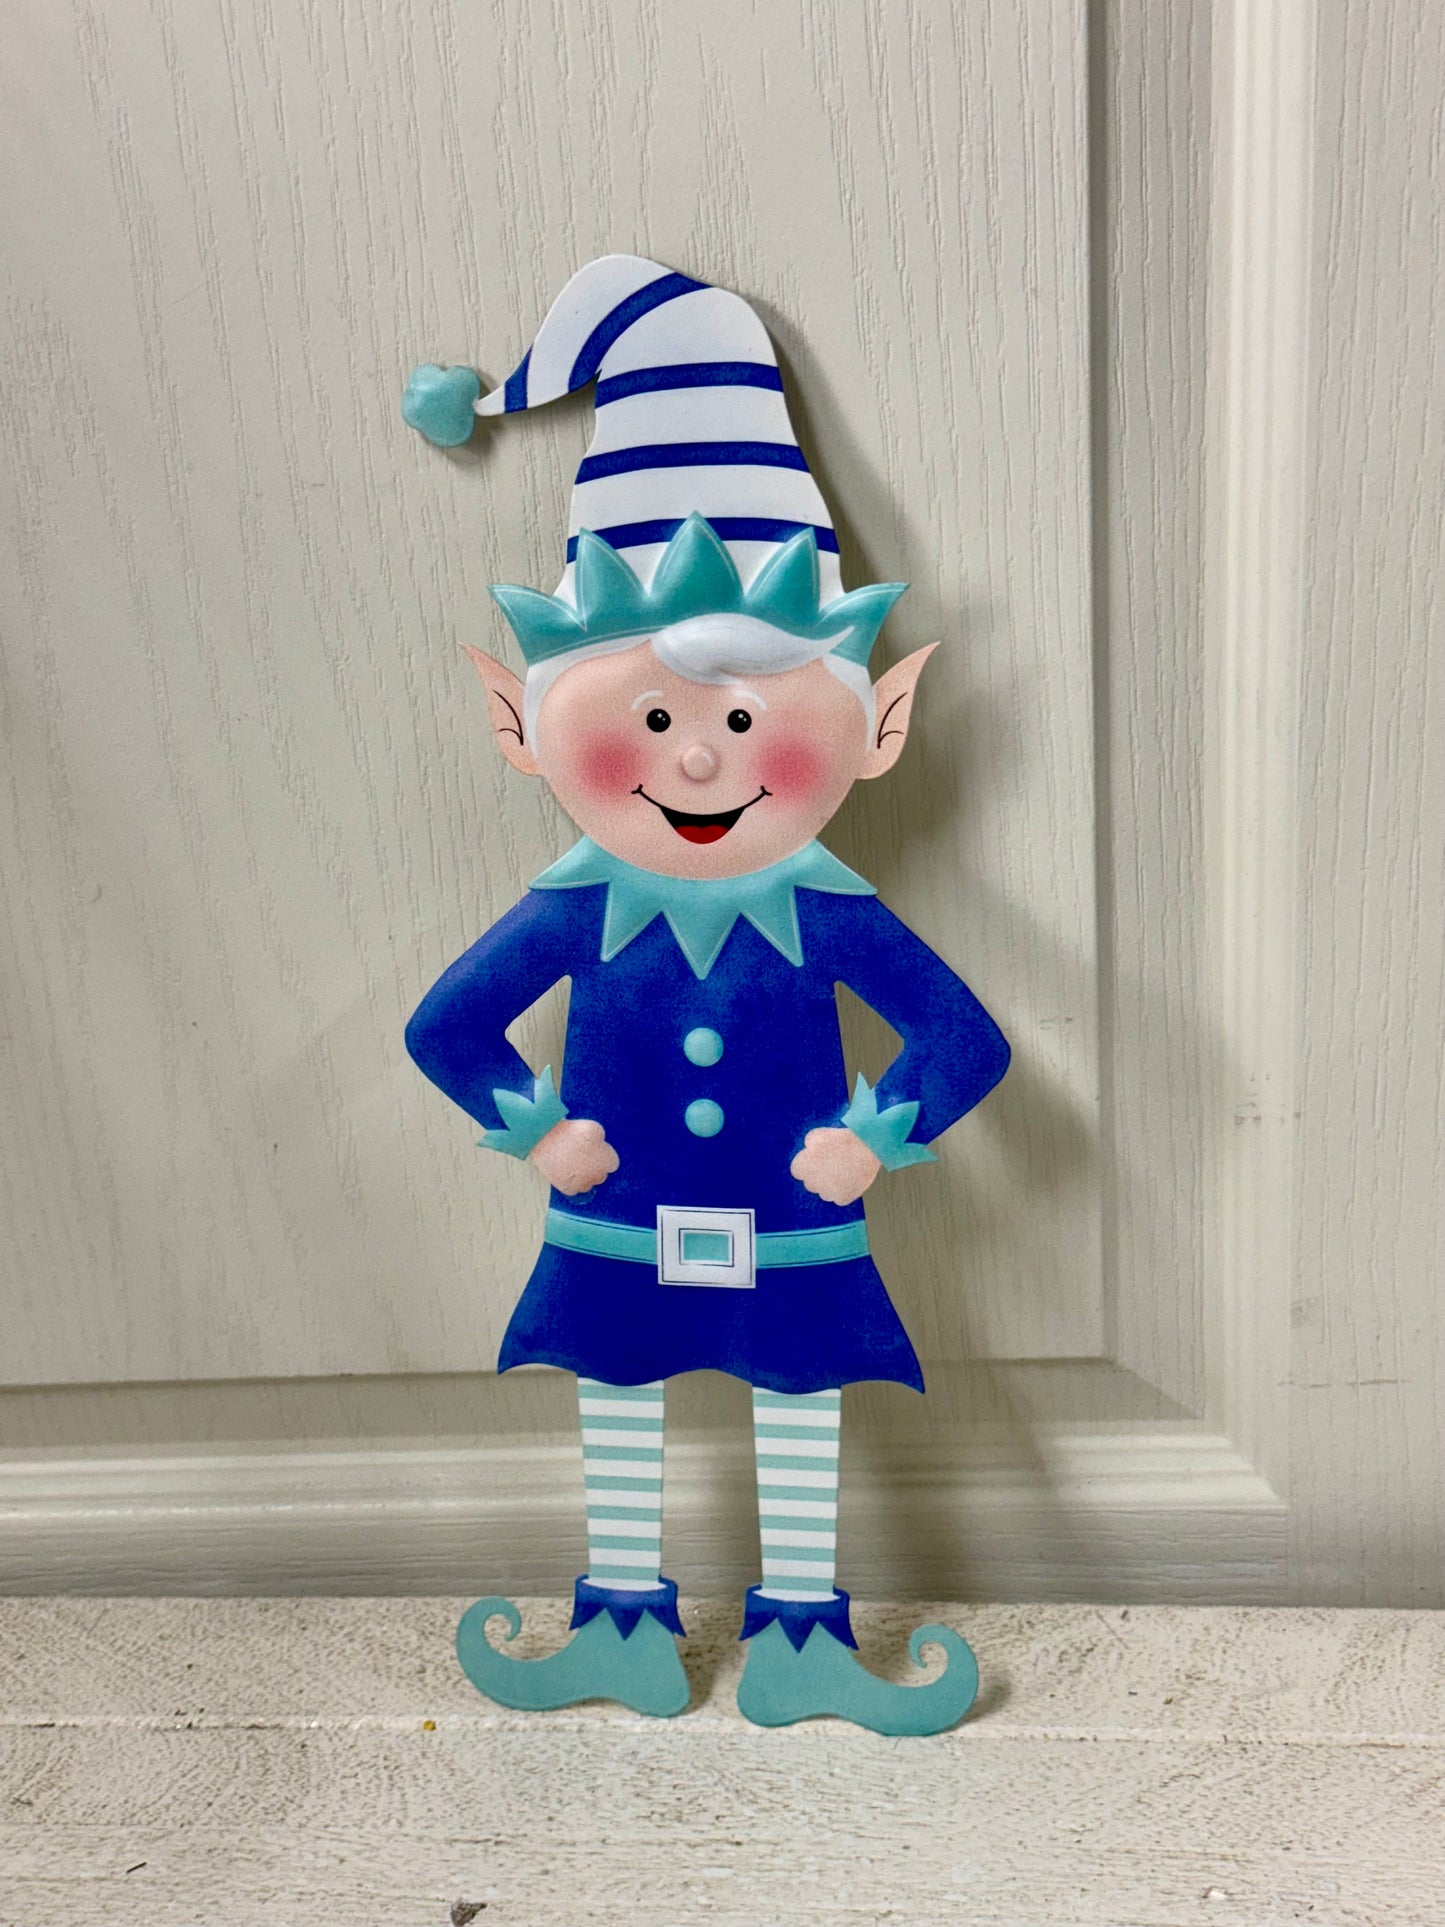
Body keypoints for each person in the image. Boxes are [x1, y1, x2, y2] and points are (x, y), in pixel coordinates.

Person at [403, 257, 1009, 1734]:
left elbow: (961, 1037)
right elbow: (447, 1026)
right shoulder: (577, 904)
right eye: (657, 714)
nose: (694, 758)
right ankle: (622, 1624)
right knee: (615, 1388)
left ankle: (801, 1639)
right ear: (520, 725)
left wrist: (872, 1137)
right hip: (619, 1210)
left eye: (743, 716)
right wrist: (539, 1129)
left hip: (791, 1221)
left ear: (877, 726)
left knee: (797, 1392)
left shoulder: (825, 907)